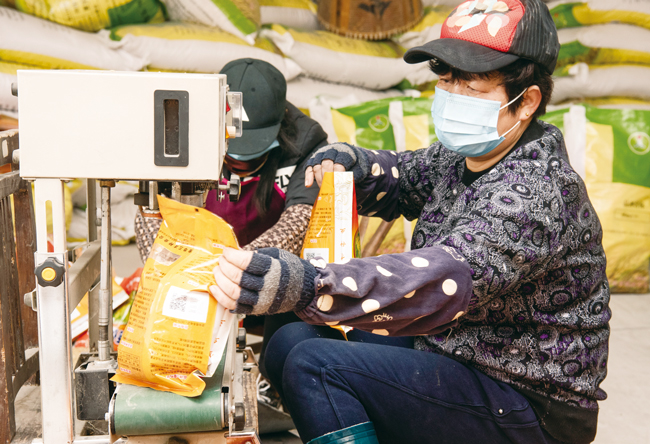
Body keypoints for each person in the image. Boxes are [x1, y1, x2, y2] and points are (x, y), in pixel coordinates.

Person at [209, 1, 611, 443]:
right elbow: (403, 175)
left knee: (316, 366)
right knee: (291, 339)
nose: (453, 95)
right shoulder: (465, 156)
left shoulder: (537, 191)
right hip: (454, 348)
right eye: (447, 80)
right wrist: (350, 162)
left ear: (526, 102)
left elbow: (442, 279)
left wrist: (310, 284)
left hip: (523, 397)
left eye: (472, 86)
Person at [134, 58, 329, 381]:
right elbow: (151, 209)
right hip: (198, 268)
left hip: (269, 279)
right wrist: (174, 269)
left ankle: (274, 381)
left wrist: (234, 270)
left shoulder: (306, 145)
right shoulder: (181, 129)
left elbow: (298, 224)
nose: (239, 161)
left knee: (290, 336)